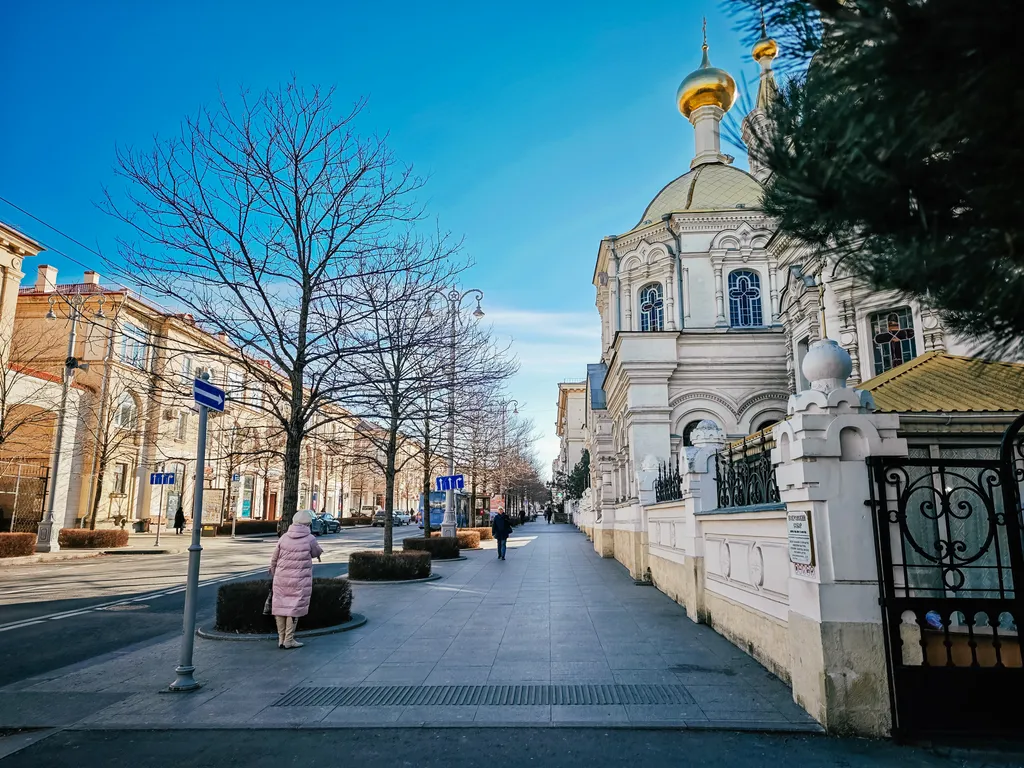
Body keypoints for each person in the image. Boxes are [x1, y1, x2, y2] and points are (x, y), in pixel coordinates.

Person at [269, 509, 323, 649]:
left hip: (281, 578)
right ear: (308, 523)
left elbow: (274, 558)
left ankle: (281, 639)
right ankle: (289, 639)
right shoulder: (310, 538)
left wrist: (274, 573)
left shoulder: (284, 537)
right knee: (293, 608)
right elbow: (316, 552)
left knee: (280, 607)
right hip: (299, 580)